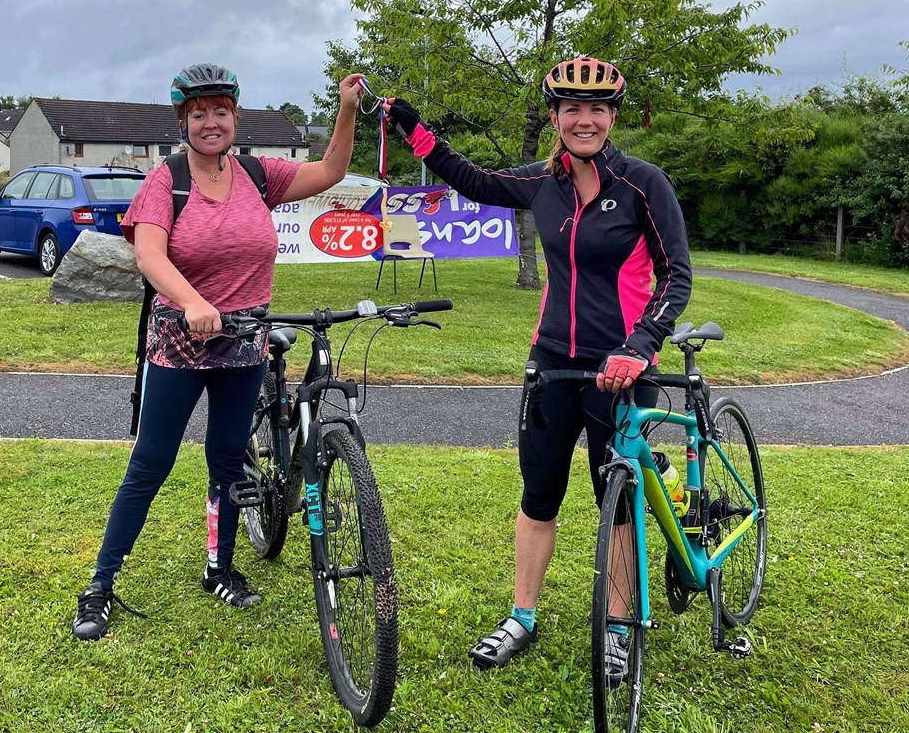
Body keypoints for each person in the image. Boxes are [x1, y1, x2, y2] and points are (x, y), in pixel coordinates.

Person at [384, 55, 692, 671]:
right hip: (552, 361)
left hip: (623, 366)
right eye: (572, 108)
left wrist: (641, 344)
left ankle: (617, 624)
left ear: (611, 117)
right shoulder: (542, 182)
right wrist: (416, 132)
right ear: (554, 117)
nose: (585, 119)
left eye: (597, 109)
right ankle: (523, 615)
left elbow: (676, 276)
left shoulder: (642, 184)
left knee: (618, 495)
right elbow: (472, 180)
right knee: (540, 493)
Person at [73, 63, 366, 641]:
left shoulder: (259, 175)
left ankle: (219, 565)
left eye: (221, 112)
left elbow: (331, 169)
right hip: (182, 341)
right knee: (150, 464)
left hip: (242, 343)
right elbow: (150, 258)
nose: (212, 122)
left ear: (235, 117)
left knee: (227, 460)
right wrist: (191, 302)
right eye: (199, 113)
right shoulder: (167, 180)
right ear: (183, 120)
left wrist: (348, 109)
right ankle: (101, 586)